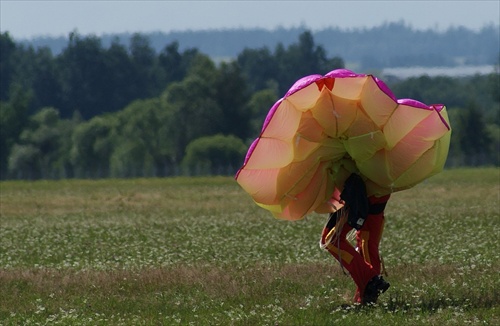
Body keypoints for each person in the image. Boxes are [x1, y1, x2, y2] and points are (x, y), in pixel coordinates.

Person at [320, 173, 390, 305]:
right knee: (367, 244)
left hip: (357, 188)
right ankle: (365, 298)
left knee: (331, 240)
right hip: (381, 187)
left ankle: (370, 280)